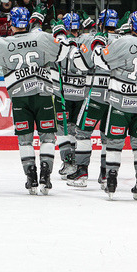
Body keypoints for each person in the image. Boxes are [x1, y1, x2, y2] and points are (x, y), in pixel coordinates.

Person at [0, 6, 64, 195]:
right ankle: (45, 175)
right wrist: (54, 29)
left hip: (19, 97)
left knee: (25, 140)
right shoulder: (40, 37)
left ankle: (31, 176)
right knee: (47, 137)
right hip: (43, 95)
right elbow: (64, 50)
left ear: (12, 23)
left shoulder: (3, 43)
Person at [91, 10, 137, 200]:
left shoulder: (122, 42)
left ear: (131, 25)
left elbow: (101, 62)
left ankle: (111, 181)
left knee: (114, 142)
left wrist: (99, 44)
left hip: (121, 102)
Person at [65, 9, 120, 188]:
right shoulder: (123, 41)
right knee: (107, 136)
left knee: (82, 132)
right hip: (115, 95)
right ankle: (105, 174)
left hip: (95, 94)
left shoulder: (90, 39)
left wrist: (74, 49)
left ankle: (81, 172)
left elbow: (80, 66)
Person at [52, 12, 84, 179]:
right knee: (76, 129)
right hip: (81, 94)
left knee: (63, 129)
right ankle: (77, 162)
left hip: (63, 93)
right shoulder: (85, 40)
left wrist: (56, 34)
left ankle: (68, 161)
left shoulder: (60, 43)